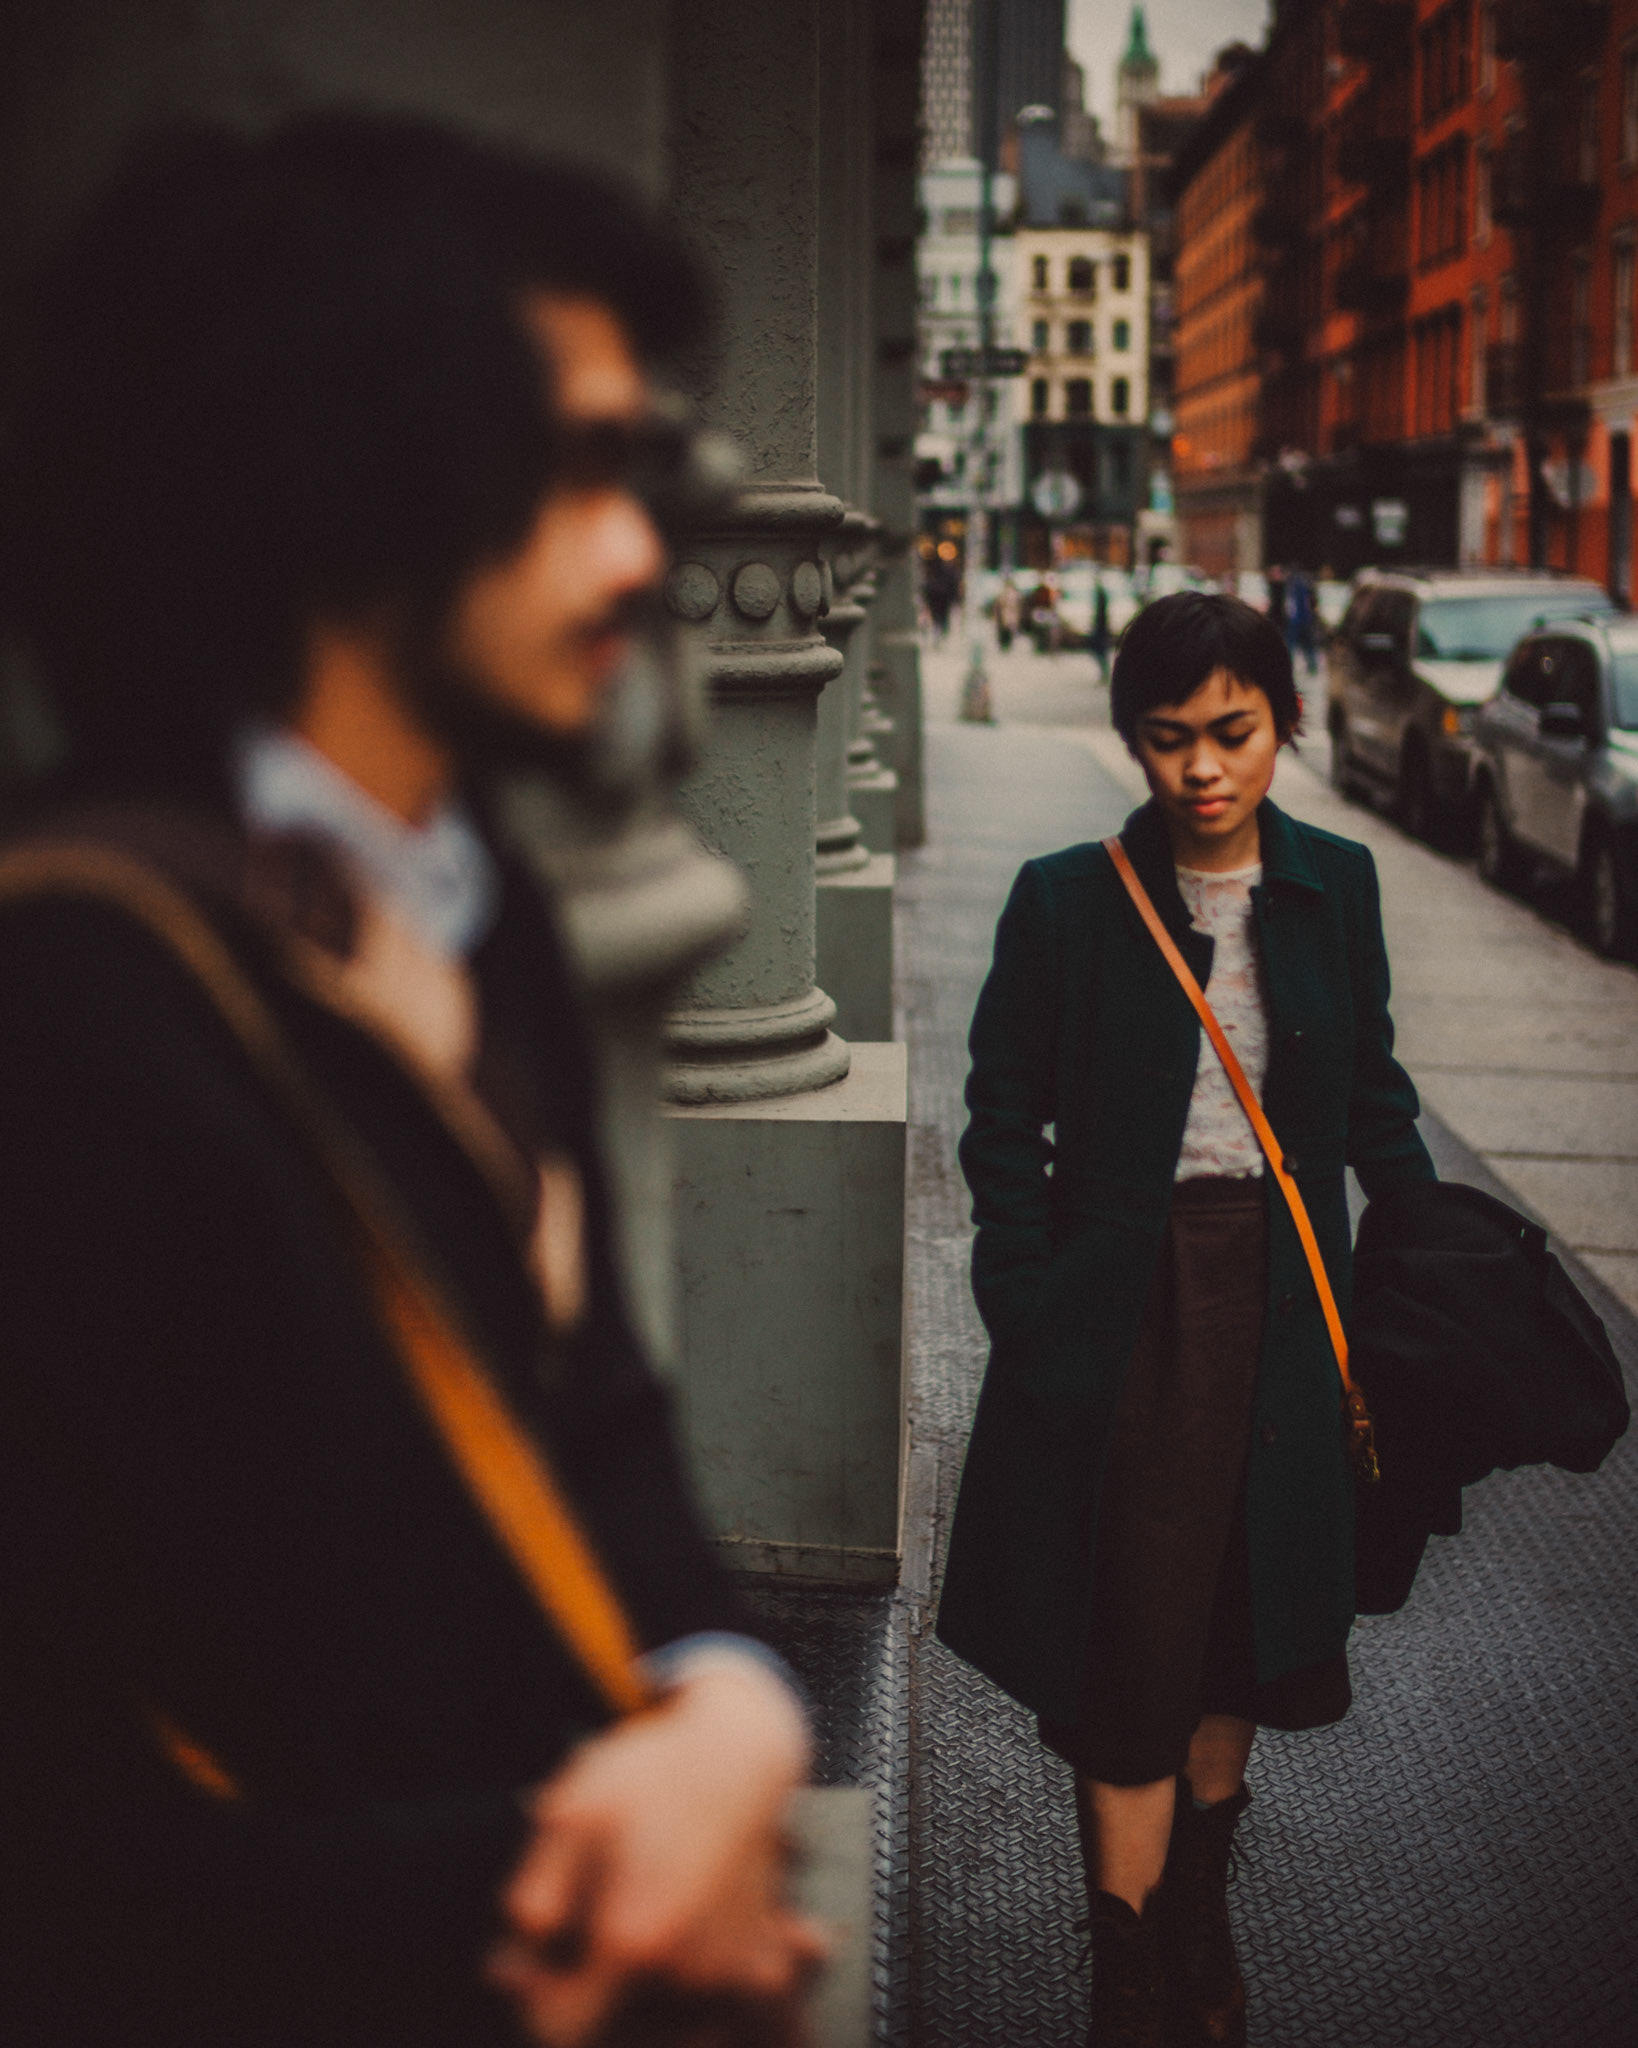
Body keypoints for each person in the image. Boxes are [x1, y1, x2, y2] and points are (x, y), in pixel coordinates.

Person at [0, 114, 821, 2048]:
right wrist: (577, 1873)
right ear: (348, 479)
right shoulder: (63, 1013)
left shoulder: (480, 904)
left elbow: (595, 1420)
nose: (642, 552)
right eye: (580, 469)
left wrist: (729, 1706)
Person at [936, 592, 1434, 2047]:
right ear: (1132, 743)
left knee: (1244, 1615)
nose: (1202, 769)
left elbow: (1377, 1104)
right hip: (1122, 1308)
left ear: (1283, 723)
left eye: (1233, 732)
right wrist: (1026, 1304)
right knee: (1129, 1637)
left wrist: (1422, 1267)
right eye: (1167, 740)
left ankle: (1199, 1901)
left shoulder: (1337, 884)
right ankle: (1125, 1966)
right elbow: (1000, 1114)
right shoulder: (1065, 900)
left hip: (1287, 1304)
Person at [995, 574, 1023, 652]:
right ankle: (1008, 645)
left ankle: (1005, 645)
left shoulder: (1004, 592)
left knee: (1005, 630)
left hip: (1007, 613)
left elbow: (999, 603)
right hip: (1011, 613)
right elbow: (1019, 604)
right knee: (1009, 629)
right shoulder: (1015, 593)